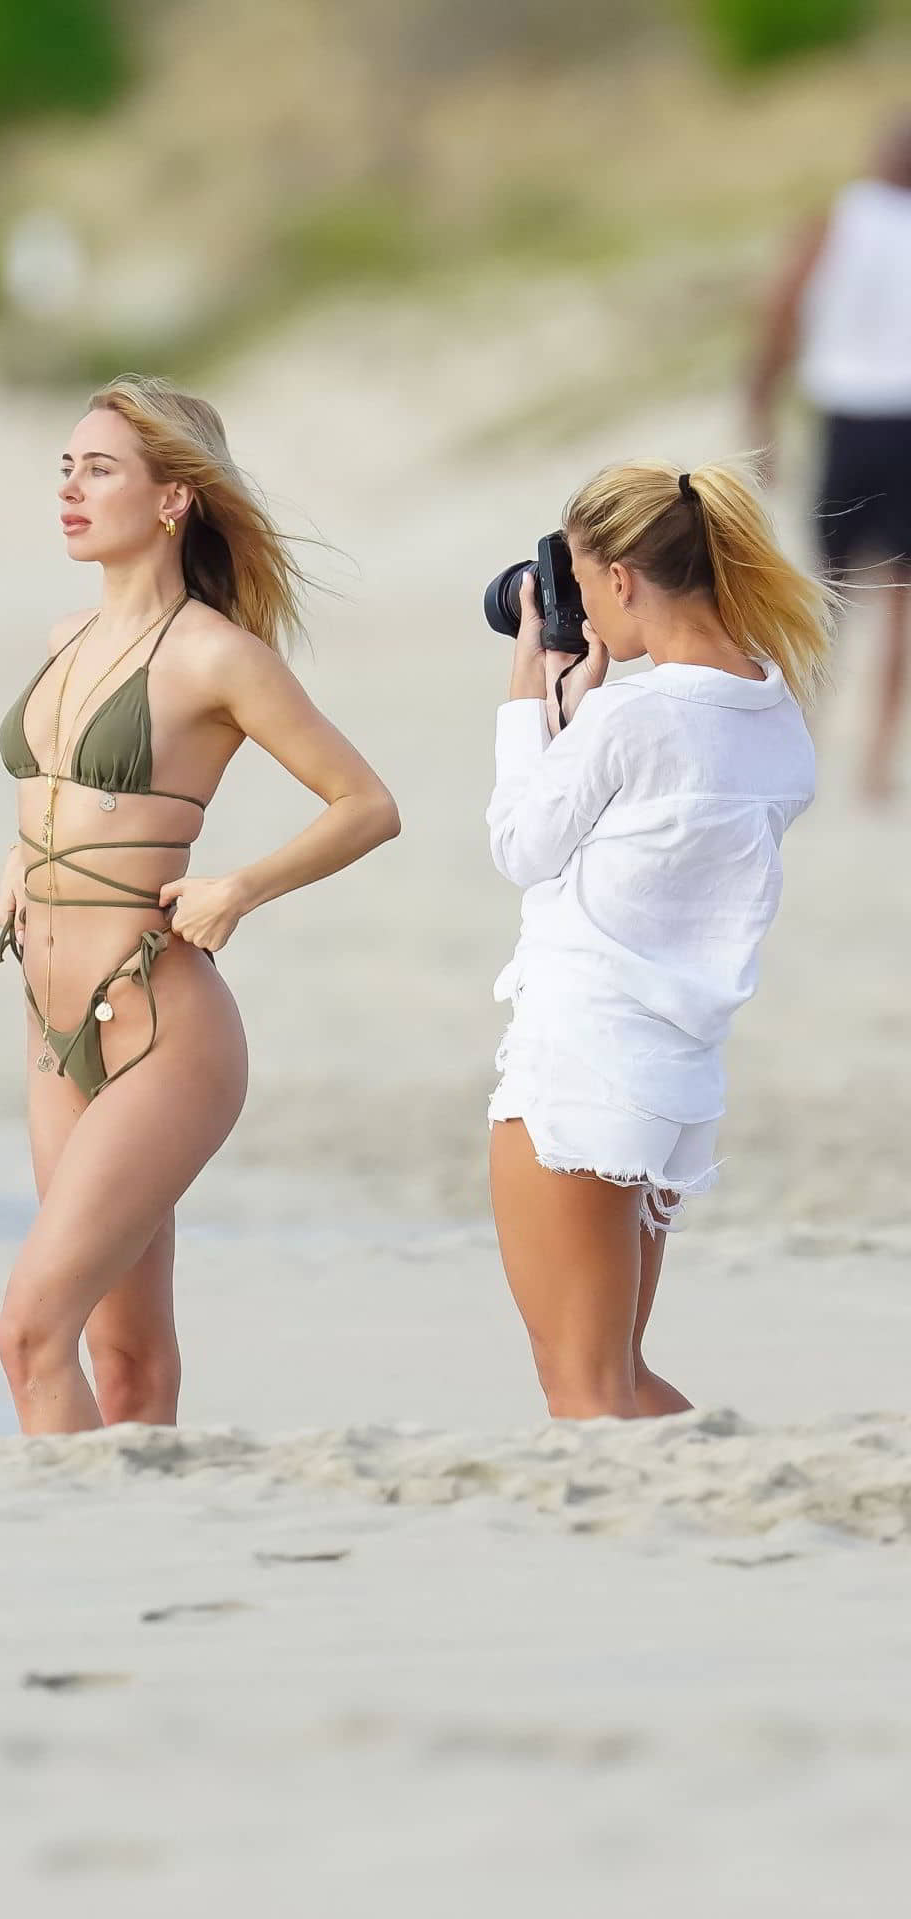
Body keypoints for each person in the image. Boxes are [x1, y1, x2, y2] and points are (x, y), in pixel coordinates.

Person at [0, 374, 399, 1434]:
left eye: (101, 470)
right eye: (66, 469)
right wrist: (19, 864)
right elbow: (61, 796)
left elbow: (365, 804)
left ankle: (62, 1548)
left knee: (28, 1330)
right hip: (49, 1026)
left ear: (173, 498)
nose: (71, 490)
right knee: (121, 1357)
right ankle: (140, 1561)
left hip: (161, 1024)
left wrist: (240, 885)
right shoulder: (62, 638)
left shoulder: (216, 653)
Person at [486, 460, 830, 1421]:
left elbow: (521, 847)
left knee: (583, 1386)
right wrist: (587, 709)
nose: (584, 610)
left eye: (587, 585)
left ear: (625, 580)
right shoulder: (776, 712)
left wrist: (532, 689)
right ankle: (729, 1523)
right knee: (618, 1375)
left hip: (580, 1064)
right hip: (675, 1084)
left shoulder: (633, 717)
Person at [748, 111, 911, 801]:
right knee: (900, 597)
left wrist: (759, 409)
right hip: (904, 420)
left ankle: (803, 739)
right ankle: (874, 760)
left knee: (829, 592)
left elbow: (780, 310)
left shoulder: (833, 223)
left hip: (847, 420)